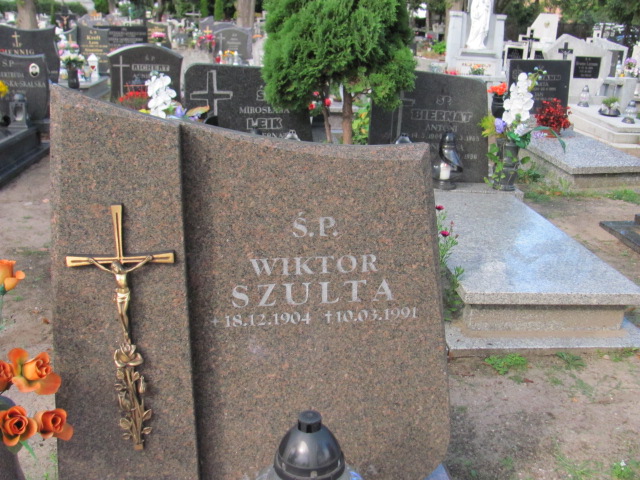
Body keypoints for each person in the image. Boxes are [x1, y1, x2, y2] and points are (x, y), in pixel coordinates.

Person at [87, 256, 153, 341]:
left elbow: (136, 267)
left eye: (114, 267)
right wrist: (94, 262)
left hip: (125, 294)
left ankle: (127, 331)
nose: (113, 269)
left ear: (118, 266)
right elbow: (104, 268)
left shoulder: (124, 272)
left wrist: (146, 260)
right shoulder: (115, 273)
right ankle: (124, 330)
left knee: (124, 313)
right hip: (118, 294)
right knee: (120, 313)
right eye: (112, 268)